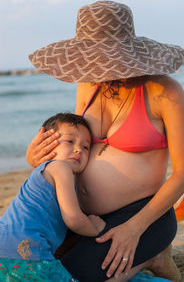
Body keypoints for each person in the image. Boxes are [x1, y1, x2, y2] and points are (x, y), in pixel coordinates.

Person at [27, 1, 184, 282]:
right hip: (84, 217)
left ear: (127, 51)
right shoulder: (87, 85)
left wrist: (134, 228)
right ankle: (153, 258)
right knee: (40, 267)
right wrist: (38, 160)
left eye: (106, 57)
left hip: (144, 215)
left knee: (80, 277)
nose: (99, 66)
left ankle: (154, 253)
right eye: (92, 57)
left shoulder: (164, 91)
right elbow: (76, 149)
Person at [0, 112, 106, 281]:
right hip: (31, 251)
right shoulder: (59, 168)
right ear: (47, 145)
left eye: (86, 147)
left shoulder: (43, 174)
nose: (78, 149)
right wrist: (95, 227)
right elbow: (73, 219)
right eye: (70, 141)